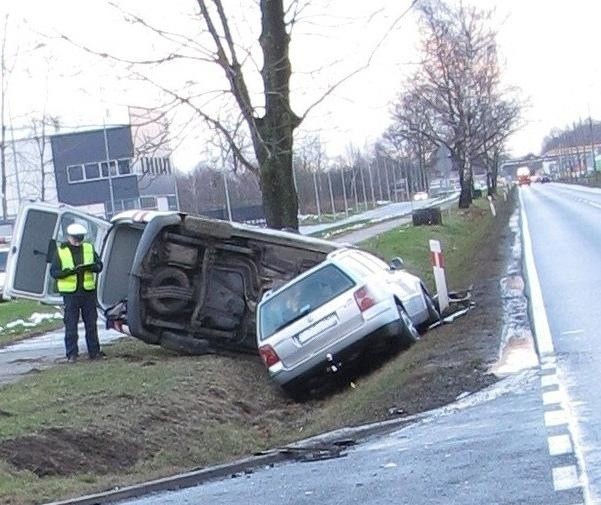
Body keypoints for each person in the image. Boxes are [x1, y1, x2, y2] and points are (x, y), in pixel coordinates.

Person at [50, 223, 104, 363]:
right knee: (71, 325)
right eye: (75, 239)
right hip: (71, 295)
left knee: (91, 324)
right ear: (69, 237)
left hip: (87, 293)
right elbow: (54, 272)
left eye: (80, 239)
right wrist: (69, 272)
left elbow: (100, 265)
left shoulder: (88, 248)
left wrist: (94, 267)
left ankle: (94, 352)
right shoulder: (60, 252)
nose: (78, 242)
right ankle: (72, 354)